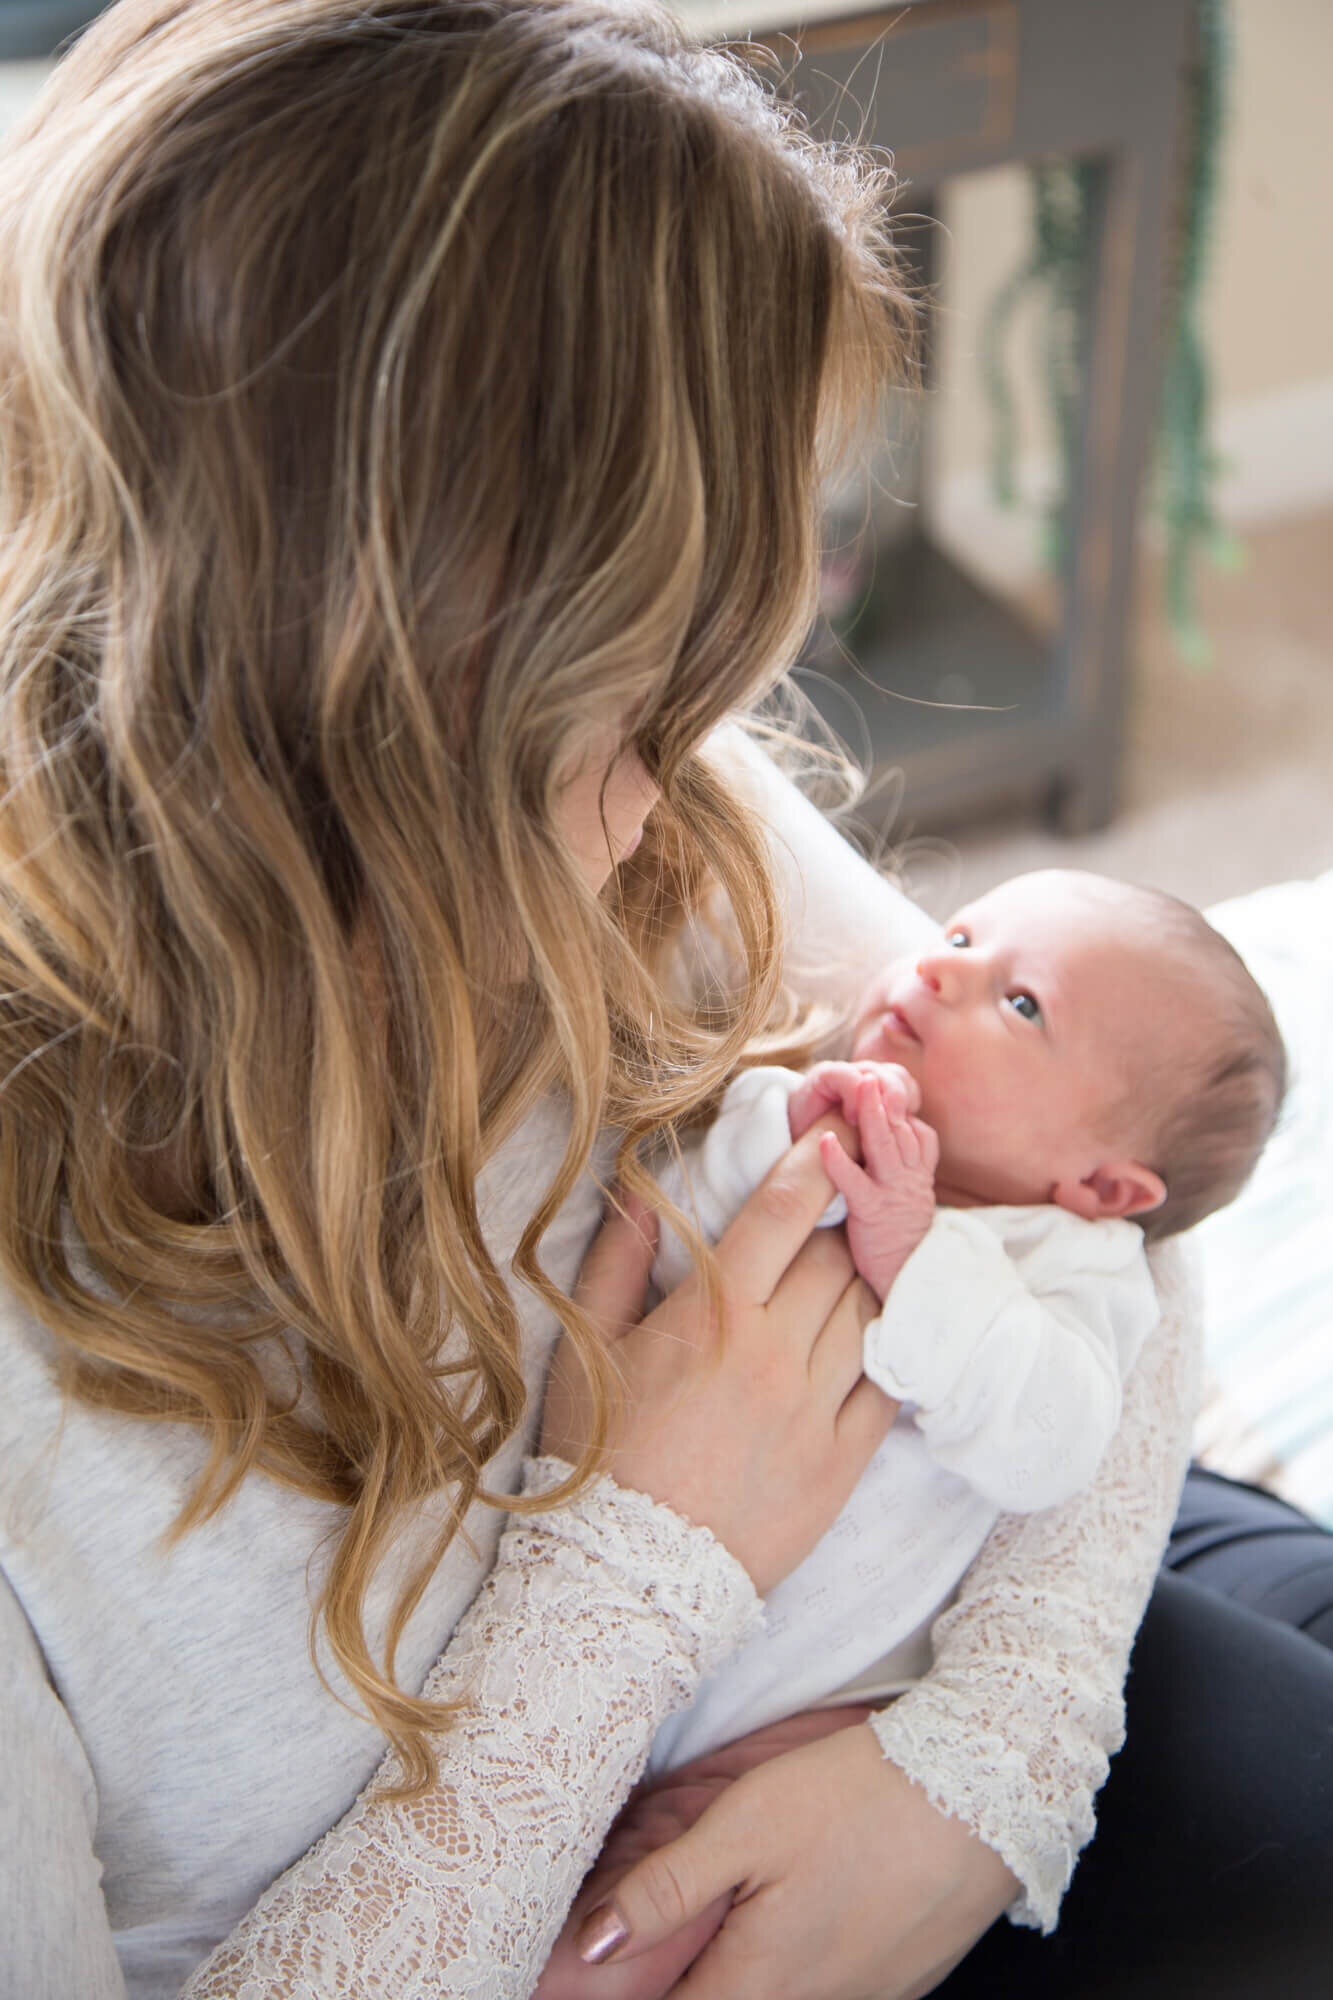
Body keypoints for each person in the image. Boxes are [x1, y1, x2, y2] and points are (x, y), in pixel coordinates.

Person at [0, 8, 1325, 2000]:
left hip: (980, 1533)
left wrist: (984, 1770)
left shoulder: (636, 799)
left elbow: (1116, 1166)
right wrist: (633, 1567)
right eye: (661, 641)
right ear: (419, 625)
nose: (722, 709)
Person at [628, 868, 1285, 1776]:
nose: (938, 971)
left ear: (1102, 1188)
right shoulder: (816, 1105)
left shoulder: (1074, 1265)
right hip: (633, 1595)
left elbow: (1048, 1448)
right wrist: (770, 1134)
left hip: (810, 1709)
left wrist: (916, 1253)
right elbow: (658, 1245)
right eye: (962, 937)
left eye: (1020, 1004)